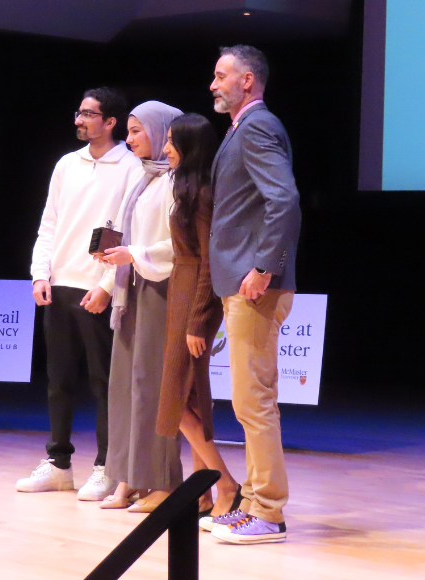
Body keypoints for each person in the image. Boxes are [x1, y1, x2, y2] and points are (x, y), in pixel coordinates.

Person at [19, 88, 140, 501]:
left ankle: (107, 465)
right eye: (79, 112)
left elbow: (131, 231)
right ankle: (58, 464)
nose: (79, 120)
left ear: (111, 122)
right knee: (58, 380)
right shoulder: (67, 165)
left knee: (103, 381)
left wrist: (107, 286)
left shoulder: (130, 167)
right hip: (61, 282)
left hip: (99, 287)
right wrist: (40, 274)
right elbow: (49, 222)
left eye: (89, 114)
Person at [204, 45, 302, 545]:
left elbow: (283, 199)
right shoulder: (242, 128)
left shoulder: (259, 125)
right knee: (249, 400)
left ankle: (268, 512)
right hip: (242, 282)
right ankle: (254, 504)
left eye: (220, 76)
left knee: (254, 402)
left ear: (247, 80)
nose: (212, 84)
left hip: (255, 284)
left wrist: (264, 266)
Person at [154, 113, 243, 525]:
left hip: (196, 297)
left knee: (177, 400)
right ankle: (204, 492)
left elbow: (210, 262)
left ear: (191, 147)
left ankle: (225, 482)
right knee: (183, 399)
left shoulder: (204, 193)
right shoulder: (187, 188)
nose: (166, 148)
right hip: (181, 289)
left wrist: (198, 320)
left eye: (173, 142)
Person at [96, 101, 184, 513]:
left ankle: (162, 480)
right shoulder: (145, 179)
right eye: (129, 131)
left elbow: (180, 248)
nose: (129, 140)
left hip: (159, 291)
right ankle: (127, 477)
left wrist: (133, 254)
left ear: (163, 130)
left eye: (137, 131)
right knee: (124, 387)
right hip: (131, 290)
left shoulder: (178, 182)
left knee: (152, 389)